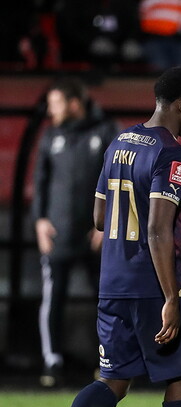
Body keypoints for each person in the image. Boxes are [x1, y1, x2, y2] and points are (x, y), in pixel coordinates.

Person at [22, 67, 181, 407]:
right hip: (154, 283)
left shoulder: (120, 142)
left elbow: (99, 216)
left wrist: (173, 202)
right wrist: (171, 297)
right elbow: (155, 230)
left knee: (113, 379)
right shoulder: (172, 153)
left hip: (112, 283)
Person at [32, 78, 118, 387]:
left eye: (55, 103)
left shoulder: (107, 132)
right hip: (58, 233)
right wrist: (40, 220)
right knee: (53, 297)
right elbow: (40, 181)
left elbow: (118, 181)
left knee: (106, 299)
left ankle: (108, 360)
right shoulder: (51, 135)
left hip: (95, 234)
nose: (50, 110)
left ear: (74, 104)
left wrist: (108, 222)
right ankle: (52, 360)